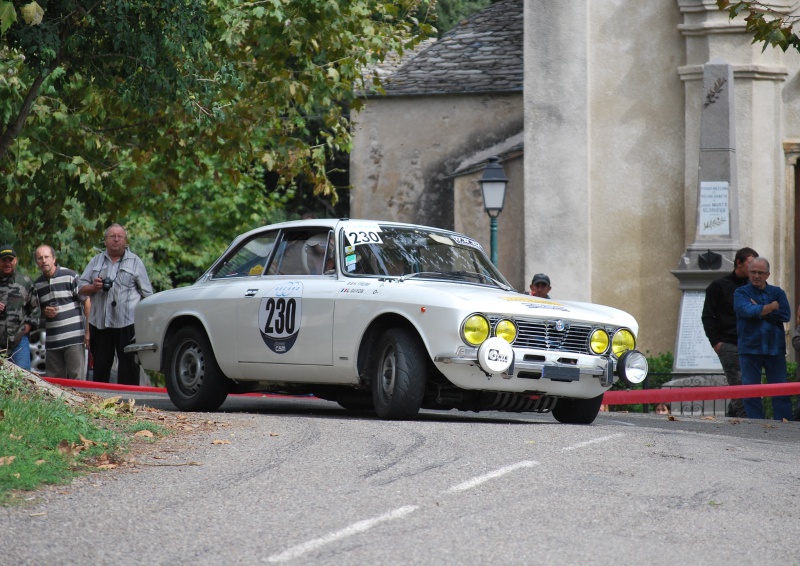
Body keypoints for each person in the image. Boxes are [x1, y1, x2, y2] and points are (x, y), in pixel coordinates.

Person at [78, 224, 153, 385]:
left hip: (127, 324)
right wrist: (94, 287)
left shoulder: (135, 262)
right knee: (100, 368)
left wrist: (147, 323)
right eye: (112, 236)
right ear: (105, 240)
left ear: (125, 241)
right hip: (99, 324)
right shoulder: (96, 261)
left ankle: (130, 404)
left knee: (129, 369)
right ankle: (99, 404)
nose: (116, 239)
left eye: (120, 236)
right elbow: (80, 289)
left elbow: (147, 294)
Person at [733, 257, 793, 421]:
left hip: (774, 348)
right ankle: (756, 425)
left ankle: (785, 423)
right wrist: (772, 307)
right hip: (750, 348)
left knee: (780, 390)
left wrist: (760, 310)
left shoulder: (777, 292)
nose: (756, 276)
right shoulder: (741, 293)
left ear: (767, 274)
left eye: (760, 272)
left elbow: (786, 315)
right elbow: (746, 311)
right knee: (751, 390)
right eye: (753, 272)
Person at [701, 246, 758, 418]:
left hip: (751, 345)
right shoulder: (719, 286)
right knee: (740, 386)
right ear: (738, 263)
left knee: (750, 385)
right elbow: (707, 317)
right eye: (750, 263)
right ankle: (746, 425)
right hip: (729, 344)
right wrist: (716, 343)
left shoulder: (756, 287)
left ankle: (733, 419)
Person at [33, 245, 91, 379]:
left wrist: (88, 331)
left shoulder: (70, 276)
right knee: (55, 384)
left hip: (74, 339)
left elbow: (87, 301)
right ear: (37, 262)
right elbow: (37, 311)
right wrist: (44, 311)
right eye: (40, 258)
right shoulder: (37, 285)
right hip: (52, 342)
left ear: (54, 258)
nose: (43, 261)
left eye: (46, 257)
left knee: (78, 381)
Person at [0, 245, 40, 370]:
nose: (7, 263)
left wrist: (24, 330)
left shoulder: (25, 282)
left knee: (25, 379)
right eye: (4, 260)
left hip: (18, 341)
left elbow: (35, 311)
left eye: (10, 260)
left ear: (15, 261)